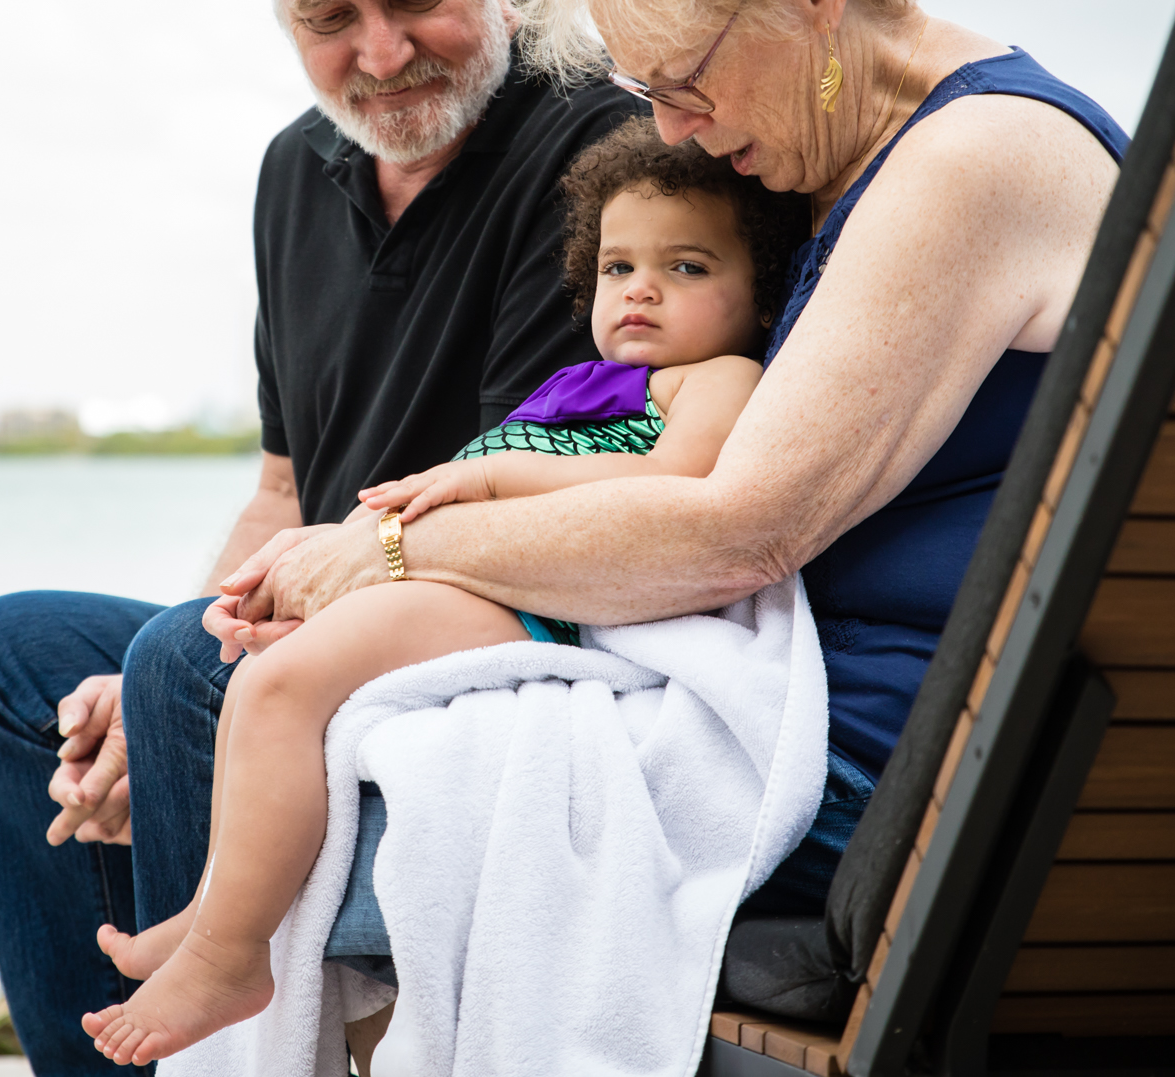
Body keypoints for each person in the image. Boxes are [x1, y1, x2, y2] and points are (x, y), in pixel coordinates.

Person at [211, 0, 1132, 927]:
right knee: (316, 772)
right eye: (641, 87)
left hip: (902, 769)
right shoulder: (847, 158)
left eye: (685, 79)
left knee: (342, 844)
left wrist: (392, 553)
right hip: (806, 718)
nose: (666, 131)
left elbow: (737, 529)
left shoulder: (971, 160)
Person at [0, 0, 639, 1073]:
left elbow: (515, 507)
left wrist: (172, 669)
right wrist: (142, 681)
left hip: (476, 644)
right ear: (273, 1)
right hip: (302, 621)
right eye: (327, 17)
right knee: (0, 660)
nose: (380, 54)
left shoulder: (593, 144)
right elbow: (281, 484)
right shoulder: (291, 171)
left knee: (177, 669)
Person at [78, 121, 800, 1065]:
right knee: (255, 675)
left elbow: (679, 479)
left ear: (758, 297)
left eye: (690, 266)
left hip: (550, 604)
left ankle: (228, 951)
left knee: (281, 688)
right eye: (618, 266)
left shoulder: (715, 377)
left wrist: (487, 482)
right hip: (486, 579)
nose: (643, 289)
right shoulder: (577, 385)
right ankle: (221, 914)